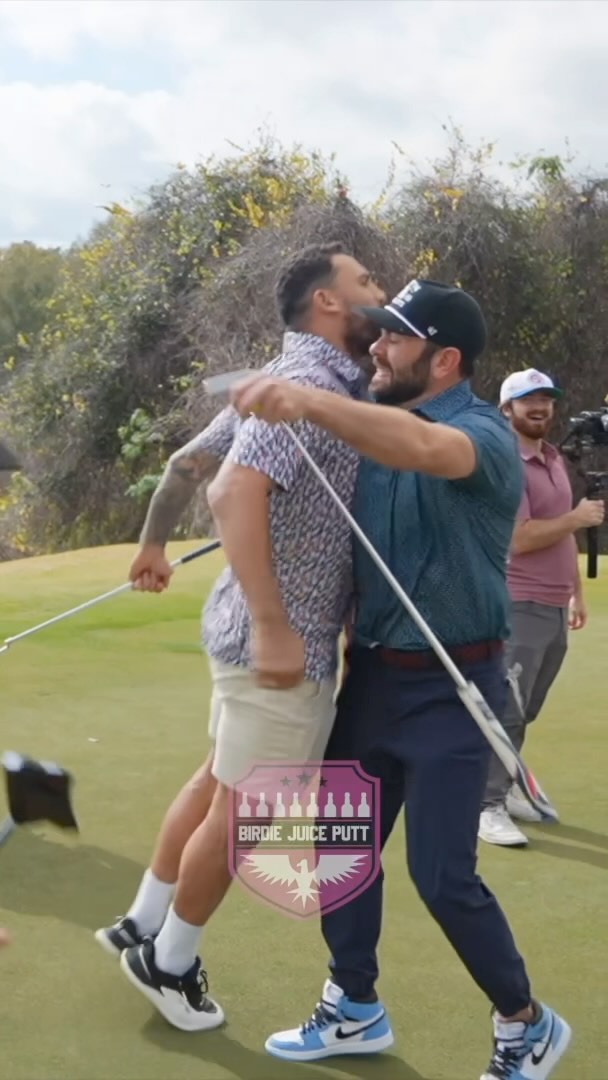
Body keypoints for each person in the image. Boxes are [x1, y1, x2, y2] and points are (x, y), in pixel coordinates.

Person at [230, 280, 572, 1080]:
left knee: (443, 878)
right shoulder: (372, 418)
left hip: (454, 686)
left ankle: (526, 1023)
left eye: (394, 337)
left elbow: (424, 450)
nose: (377, 348)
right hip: (375, 679)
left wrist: (308, 403)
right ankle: (354, 1005)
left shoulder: (482, 435)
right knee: (336, 847)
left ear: (444, 359)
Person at [95, 242, 385, 1031]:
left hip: (245, 636)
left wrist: (153, 545)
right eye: (366, 281)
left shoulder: (291, 379)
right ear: (328, 302)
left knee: (220, 784)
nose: (380, 291)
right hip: (278, 645)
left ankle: (142, 921)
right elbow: (230, 489)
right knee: (250, 809)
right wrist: (274, 627)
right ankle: (167, 962)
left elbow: (186, 465)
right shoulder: (306, 385)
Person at [479, 368, 605, 847]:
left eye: (546, 400)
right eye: (529, 400)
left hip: (551, 604)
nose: (540, 408)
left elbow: (562, 530)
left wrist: (575, 591)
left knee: (526, 707)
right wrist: (577, 517)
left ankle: (506, 784)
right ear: (507, 408)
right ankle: (485, 804)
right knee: (507, 709)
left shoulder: (551, 458)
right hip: (518, 600)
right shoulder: (505, 462)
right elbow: (519, 538)